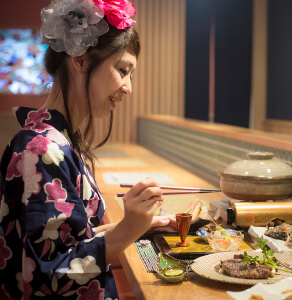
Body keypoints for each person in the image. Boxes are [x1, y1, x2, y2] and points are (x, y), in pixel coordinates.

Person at [0, 0, 176, 298]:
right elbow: (49, 274)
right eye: (123, 70)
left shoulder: (60, 140)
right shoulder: (42, 150)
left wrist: (137, 226)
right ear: (80, 60)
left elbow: (75, 239)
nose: (128, 87)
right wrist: (126, 229)